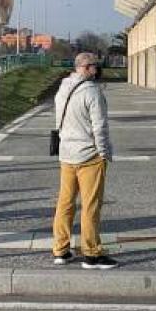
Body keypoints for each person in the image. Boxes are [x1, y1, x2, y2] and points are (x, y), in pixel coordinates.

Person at [51, 52, 117, 270]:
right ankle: (91, 253)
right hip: (89, 155)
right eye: (94, 67)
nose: (97, 70)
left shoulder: (62, 88)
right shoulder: (92, 92)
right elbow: (99, 126)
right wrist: (104, 152)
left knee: (65, 202)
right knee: (91, 205)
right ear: (86, 67)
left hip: (66, 153)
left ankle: (61, 250)